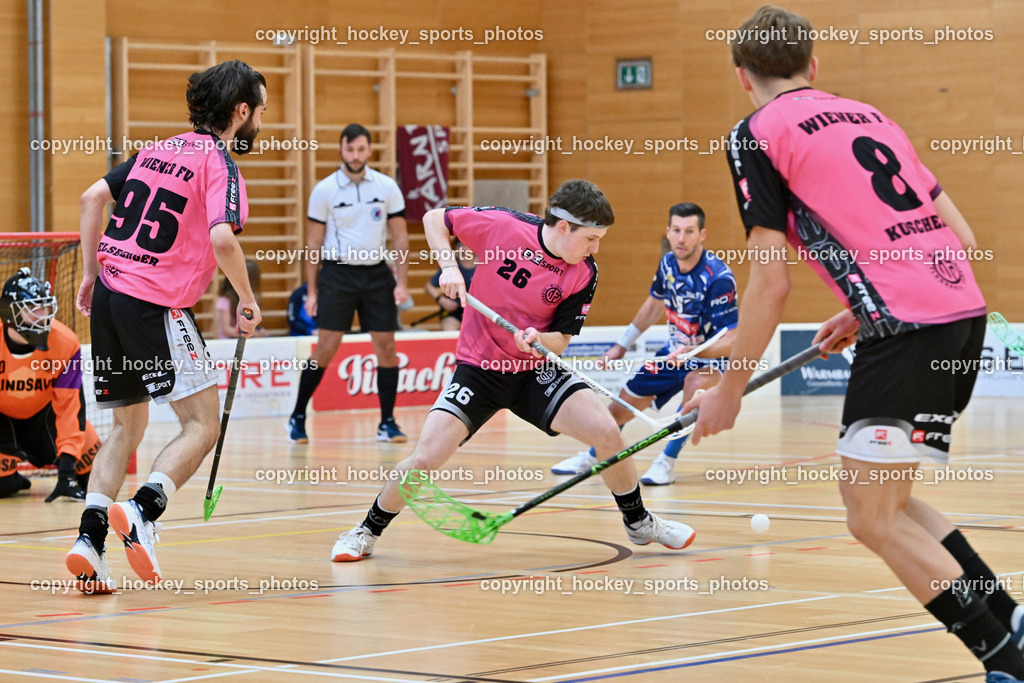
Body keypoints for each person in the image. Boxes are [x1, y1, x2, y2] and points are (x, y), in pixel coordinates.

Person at [687, 7, 1022, 681]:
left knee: (870, 517)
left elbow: (770, 283)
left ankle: (1008, 660)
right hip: (959, 311)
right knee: (886, 503)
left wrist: (728, 391)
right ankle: (1010, 618)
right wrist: (859, 309)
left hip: (907, 328)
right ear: (814, 67)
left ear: (741, 79)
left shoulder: (755, 133)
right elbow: (952, 233)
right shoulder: (872, 118)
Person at [330, 179, 697, 563]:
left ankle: (639, 523)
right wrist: (449, 267)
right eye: (591, 238)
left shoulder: (584, 273)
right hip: (480, 369)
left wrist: (540, 338)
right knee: (426, 458)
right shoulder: (505, 227)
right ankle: (365, 531)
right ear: (563, 227)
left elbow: (561, 340)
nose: (595, 248)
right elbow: (434, 218)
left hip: (533, 370)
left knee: (606, 431)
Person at [68, 59, 265, 593]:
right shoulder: (219, 164)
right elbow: (223, 240)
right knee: (203, 426)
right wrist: (247, 300)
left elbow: (91, 200)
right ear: (241, 112)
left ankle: (88, 541)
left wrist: (88, 275)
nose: (260, 123)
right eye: (259, 112)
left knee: (126, 429)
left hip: (109, 293)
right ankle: (143, 510)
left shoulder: (157, 149)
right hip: (154, 304)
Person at [550, 203, 737, 485]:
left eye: (689, 231)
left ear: (703, 235)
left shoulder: (718, 278)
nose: (681, 238)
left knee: (695, 389)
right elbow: (653, 306)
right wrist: (620, 346)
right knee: (619, 408)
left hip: (708, 358)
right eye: (676, 230)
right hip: (673, 353)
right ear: (668, 232)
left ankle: (666, 462)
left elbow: (733, 339)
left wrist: (695, 352)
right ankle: (593, 456)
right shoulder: (668, 264)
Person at [287, 123, 410, 444]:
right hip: (337, 275)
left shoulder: (386, 187)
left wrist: (401, 282)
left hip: (376, 275)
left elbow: (400, 237)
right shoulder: (325, 190)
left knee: (387, 348)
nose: (355, 155)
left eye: (361, 149)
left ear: (369, 150)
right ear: (341, 150)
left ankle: (387, 422)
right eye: (349, 149)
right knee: (326, 348)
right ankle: (298, 416)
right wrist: (311, 291)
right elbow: (313, 244)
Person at [0, 268, 99, 501]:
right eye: (32, 309)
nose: (42, 315)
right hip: (3, 421)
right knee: (3, 488)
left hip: (46, 417)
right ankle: (11, 476)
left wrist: (67, 474)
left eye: (43, 307)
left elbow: (70, 407)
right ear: (9, 313)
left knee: (95, 471)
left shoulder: (66, 343)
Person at [422, 240, 477, 331]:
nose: (463, 249)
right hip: (454, 311)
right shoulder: (451, 266)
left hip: (479, 311)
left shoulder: (484, 265)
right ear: (455, 248)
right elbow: (429, 287)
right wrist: (440, 299)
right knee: (449, 330)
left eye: (467, 245)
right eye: (460, 245)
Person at [215, 258, 267, 339]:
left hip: (246, 339)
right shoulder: (225, 300)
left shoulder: (251, 299)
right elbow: (227, 330)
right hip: (229, 342)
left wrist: (259, 331)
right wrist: (255, 334)